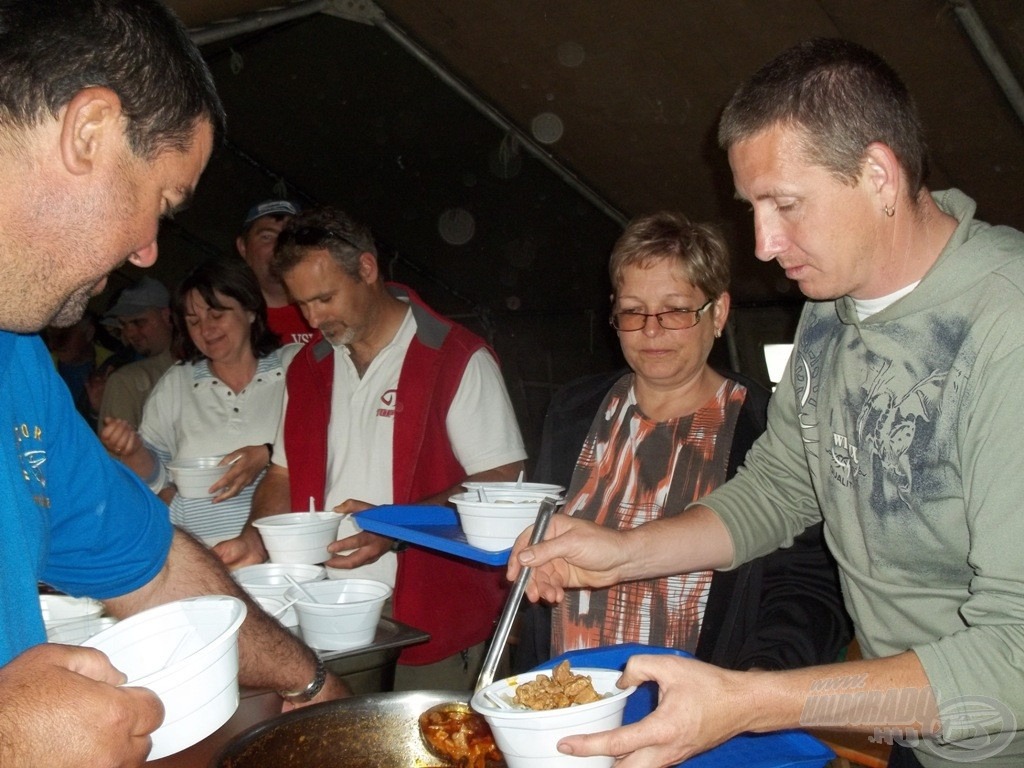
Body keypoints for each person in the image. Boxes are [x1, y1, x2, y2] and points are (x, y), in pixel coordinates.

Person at [510, 38, 1024, 768]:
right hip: (921, 735)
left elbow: (1016, 656)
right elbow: (781, 492)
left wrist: (754, 700)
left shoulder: (1007, 329)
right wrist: (623, 553)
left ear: (880, 175)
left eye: (784, 204)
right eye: (754, 208)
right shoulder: (829, 311)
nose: (762, 244)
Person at [0, 2, 348, 765]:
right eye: (159, 200)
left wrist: (310, 681)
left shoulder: (20, 362)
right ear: (89, 131)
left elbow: (151, 566)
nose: (149, 252)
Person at [515, 212, 848, 672]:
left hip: (699, 709)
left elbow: (809, 587)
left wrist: (755, 686)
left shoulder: (770, 425)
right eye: (633, 310)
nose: (652, 330)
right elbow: (536, 557)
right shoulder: (572, 410)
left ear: (719, 313)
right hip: (568, 696)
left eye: (674, 310)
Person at [215, 205, 528, 690]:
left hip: (432, 613)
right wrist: (259, 538)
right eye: (302, 304)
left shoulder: (453, 357)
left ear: (366, 269)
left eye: (324, 298)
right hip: (325, 610)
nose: (313, 318)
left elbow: (503, 479)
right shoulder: (309, 367)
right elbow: (283, 474)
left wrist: (396, 525)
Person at [101, 257, 298, 546]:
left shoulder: (293, 366)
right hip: (202, 556)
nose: (206, 330)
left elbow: (327, 445)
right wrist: (131, 451)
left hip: (280, 554)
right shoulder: (177, 382)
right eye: (193, 321)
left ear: (251, 310)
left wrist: (268, 454)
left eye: (216, 315)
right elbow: (156, 478)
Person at [98, 276, 177, 429]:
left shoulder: (202, 362)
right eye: (123, 325)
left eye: (138, 322)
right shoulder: (118, 369)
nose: (130, 332)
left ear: (166, 316)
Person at [236, 199, 315, 345]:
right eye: (267, 237)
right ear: (243, 248)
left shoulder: (326, 311)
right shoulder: (227, 320)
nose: (279, 247)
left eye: (288, 237)